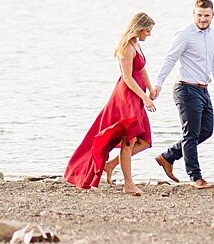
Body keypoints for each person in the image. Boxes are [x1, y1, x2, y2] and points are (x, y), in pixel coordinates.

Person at [64, 12, 158, 195]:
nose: (149, 34)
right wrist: (145, 98)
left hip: (137, 95)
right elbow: (128, 78)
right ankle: (128, 184)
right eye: (148, 31)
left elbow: (142, 68)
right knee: (129, 140)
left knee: (144, 141)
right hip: (127, 97)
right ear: (139, 28)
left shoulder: (137, 44)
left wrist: (150, 88)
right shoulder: (126, 47)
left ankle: (111, 165)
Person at [150, 0, 214, 189]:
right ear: (194, 14)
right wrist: (158, 84)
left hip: (204, 89)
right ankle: (196, 178)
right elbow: (170, 58)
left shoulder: (213, 36)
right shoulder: (185, 34)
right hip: (185, 88)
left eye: (207, 15)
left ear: (213, 15)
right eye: (199, 15)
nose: (203, 19)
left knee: (206, 131)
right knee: (191, 134)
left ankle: (168, 156)